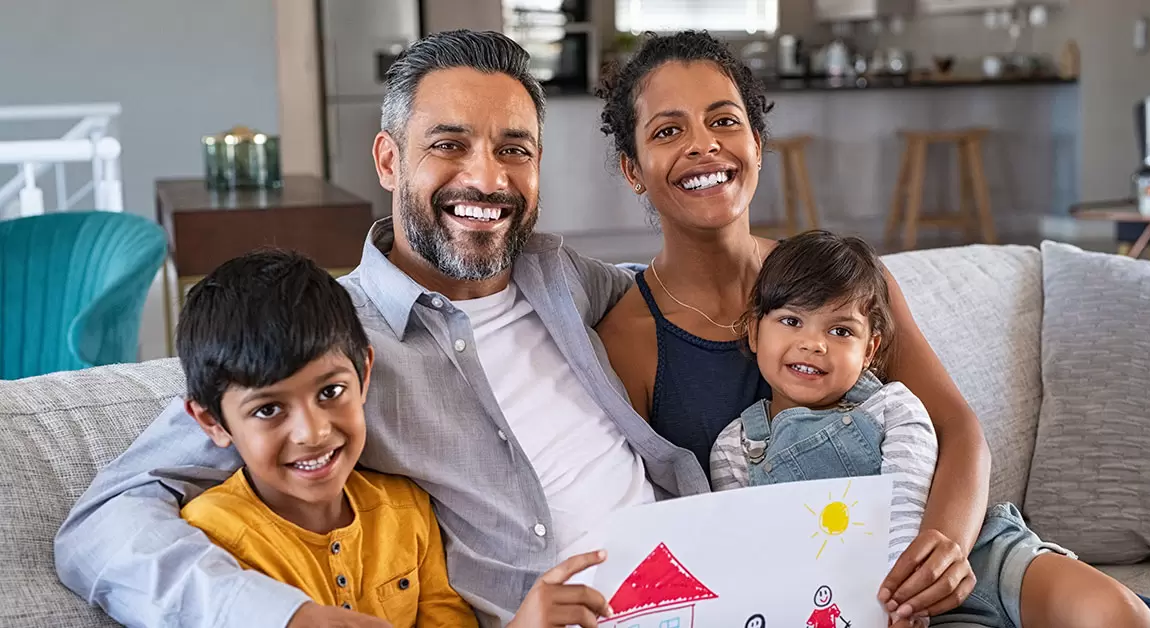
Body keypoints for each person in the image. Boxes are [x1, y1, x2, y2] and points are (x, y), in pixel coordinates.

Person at [55, 30, 694, 628]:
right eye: (449, 145)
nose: (488, 178)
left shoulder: (565, 276)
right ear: (389, 160)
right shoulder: (324, 342)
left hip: (700, 581)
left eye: (513, 150)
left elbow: (693, 298)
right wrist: (289, 617)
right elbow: (103, 523)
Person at [593, 30, 1150, 627]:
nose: (704, 145)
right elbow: (658, 537)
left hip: (954, 558)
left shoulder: (847, 280)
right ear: (633, 169)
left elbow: (959, 430)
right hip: (819, 602)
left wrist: (944, 547)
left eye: (723, 120)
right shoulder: (630, 338)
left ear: (757, 141)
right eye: (668, 131)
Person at [708, 231, 1150, 628]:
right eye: (790, 321)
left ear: (871, 350)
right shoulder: (736, 447)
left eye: (841, 330)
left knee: (1116, 612)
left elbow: (905, 507)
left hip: (977, 559)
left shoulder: (895, 407)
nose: (813, 343)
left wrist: (900, 598)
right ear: (753, 332)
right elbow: (758, 561)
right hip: (859, 606)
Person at [173, 249, 478, 626]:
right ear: (212, 422)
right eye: (268, 409)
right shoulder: (210, 536)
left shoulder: (406, 508)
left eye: (330, 392)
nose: (313, 432)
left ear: (364, 373)